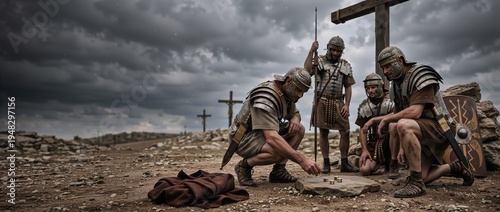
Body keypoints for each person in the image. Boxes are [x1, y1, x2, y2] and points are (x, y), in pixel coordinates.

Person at [362, 46, 474, 198]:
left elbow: (415, 112)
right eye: (383, 68)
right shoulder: (396, 84)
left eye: (388, 66)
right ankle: (455, 167)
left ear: (400, 61)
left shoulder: (420, 75)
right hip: (421, 131)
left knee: (401, 124)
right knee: (424, 177)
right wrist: (375, 119)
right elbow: (398, 113)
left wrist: (387, 119)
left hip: (439, 129)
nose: (386, 71)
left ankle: (416, 184)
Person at [231, 67, 321, 187]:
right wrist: (302, 160)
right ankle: (244, 166)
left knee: (299, 129)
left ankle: (278, 171)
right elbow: (271, 138)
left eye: (303, 92)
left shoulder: (287, 93)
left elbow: (295, 113)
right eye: (299, 90)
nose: (300, 95)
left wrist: (295, 118)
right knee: (278, 149)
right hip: (243, 137)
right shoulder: (265, 97)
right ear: (288, 81)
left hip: (262, 133)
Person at [304, 36, 358, 173]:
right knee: (323, 132)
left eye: (338, 51)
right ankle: (326, 163)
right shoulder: (320, 61)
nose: (335, 53)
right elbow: (306, 71)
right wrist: (311, 51)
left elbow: (348, 86)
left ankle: (344, 163)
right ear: (328, 48)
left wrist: (347, 104)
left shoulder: (345, 65)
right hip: (322, 100)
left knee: (345, 131)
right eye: (333, 50)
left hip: (338, 101)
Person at [356, 73, 398, 178]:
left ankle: (394, 163)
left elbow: (397, 115)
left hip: (391, 139)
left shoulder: (391, 100)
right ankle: (381, 162)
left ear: (380, 87)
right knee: (364, 170)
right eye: (368, 88)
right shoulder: (364, 106)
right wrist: (364, 149)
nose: (370, 91)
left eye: (373, 87)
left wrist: (374, 120)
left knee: (393, 126)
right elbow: (362, 129)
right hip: (375, 142)